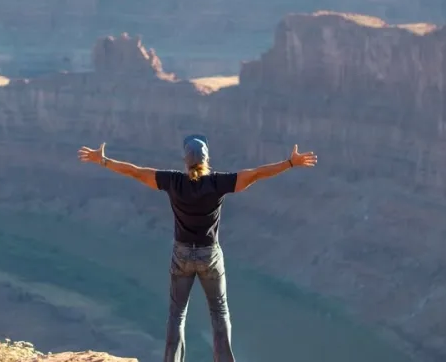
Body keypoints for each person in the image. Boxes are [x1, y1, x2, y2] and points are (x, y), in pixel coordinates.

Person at [77, 135, 318, 362]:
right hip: (210, 255)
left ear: (185, 160)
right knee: (219, 312)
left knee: (177, 314)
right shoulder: (218, 183)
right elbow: (256, 174)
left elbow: (135, 172)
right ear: (206, 159)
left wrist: (104, 161)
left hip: (181, 254)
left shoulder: (173, 181)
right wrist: (290, 163)